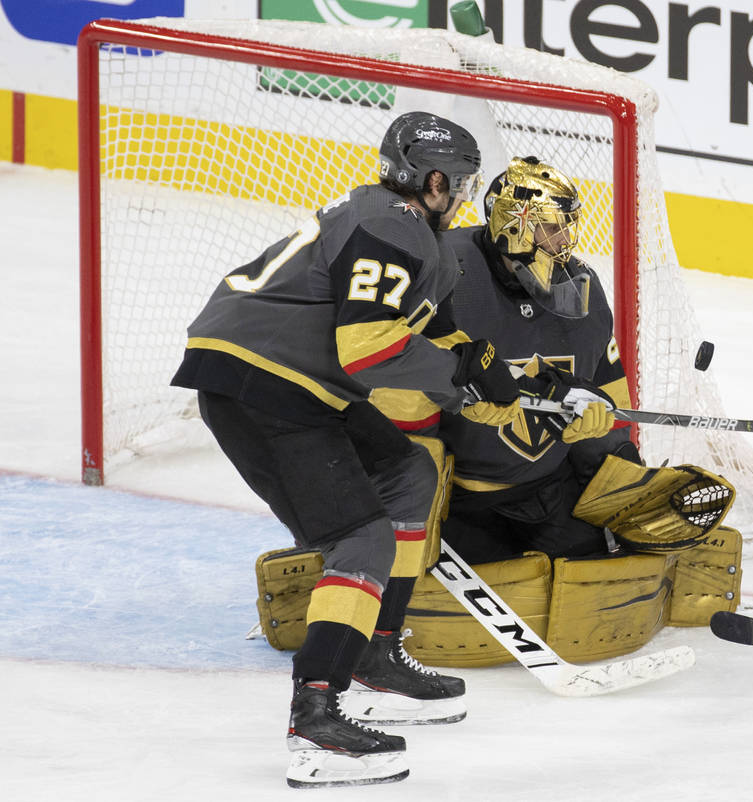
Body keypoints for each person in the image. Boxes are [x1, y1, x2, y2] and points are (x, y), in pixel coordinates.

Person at [171, 110, 524, 788]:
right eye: (463, 182)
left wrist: (487, 368)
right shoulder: (391, 226)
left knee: (405, 475)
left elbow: (431, 335)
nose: (465, 194)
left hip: (300, 381)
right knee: (360, 540)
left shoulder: (410, 230)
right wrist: (460, 379)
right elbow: (368, 347)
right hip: (262, 381)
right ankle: (317, 719)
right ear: (434, 178)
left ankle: (377, 654)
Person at [371, 155, 637, 563]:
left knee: (596, 581)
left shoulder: (581, 288)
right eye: (551, 228)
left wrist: (619, 458)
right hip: (456, 498)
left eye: (567, 227)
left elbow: (609, 389)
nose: (564, 241)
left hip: (547, 487)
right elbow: (395, 385)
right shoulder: (444, 270)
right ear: (514, 225)